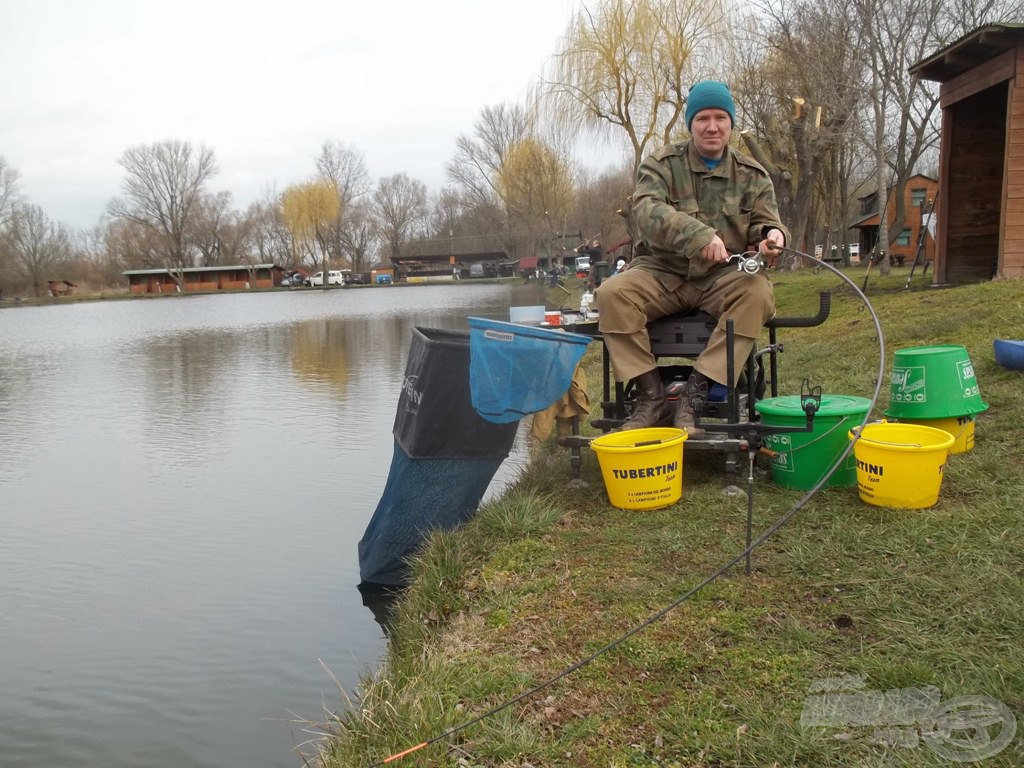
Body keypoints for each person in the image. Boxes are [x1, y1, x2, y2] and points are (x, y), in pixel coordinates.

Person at [595, 80, 789, 436]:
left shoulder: (753, 175)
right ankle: (650, 397)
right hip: (662, 272)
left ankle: (694, 396)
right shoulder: (662, 164)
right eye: (702, 118)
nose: (712, 126)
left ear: (730, 123)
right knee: (612, 294)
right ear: (690, 124)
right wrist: (698, 235)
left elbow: (768, 223)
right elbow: (646, 211)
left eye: (720, 117)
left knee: (757, 293)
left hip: (721, 276)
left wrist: (773, 238)